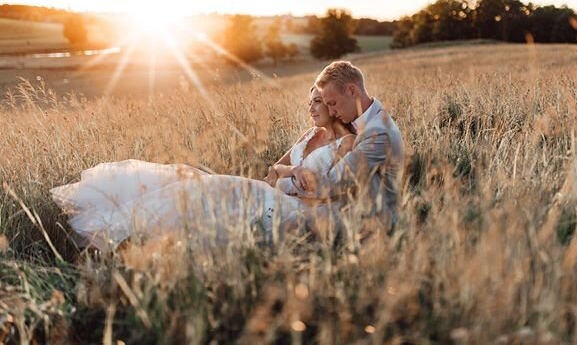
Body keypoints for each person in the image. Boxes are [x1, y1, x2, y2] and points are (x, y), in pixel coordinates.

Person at [50, 87, 355, 252]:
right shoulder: (308, 135)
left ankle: (129, 237)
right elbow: (273, 172)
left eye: (318, 101)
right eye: (310, 101)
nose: (311, 107)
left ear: (334, 103)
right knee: (195, 182)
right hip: (270, 193)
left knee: (207, 190)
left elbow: (334, 189)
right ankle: (121, 229)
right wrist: (288, 173)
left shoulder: (347, 141)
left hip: (300, 210)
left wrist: (299, 179)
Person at [289, 60, 404, 235]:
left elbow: (331, 184)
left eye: (333, 104)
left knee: (283, 221)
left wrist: (284, 184)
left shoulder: (378, 133)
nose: (332, 113)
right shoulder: (365, 121)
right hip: (345, 209)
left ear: (351, 91)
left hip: (371, 223)